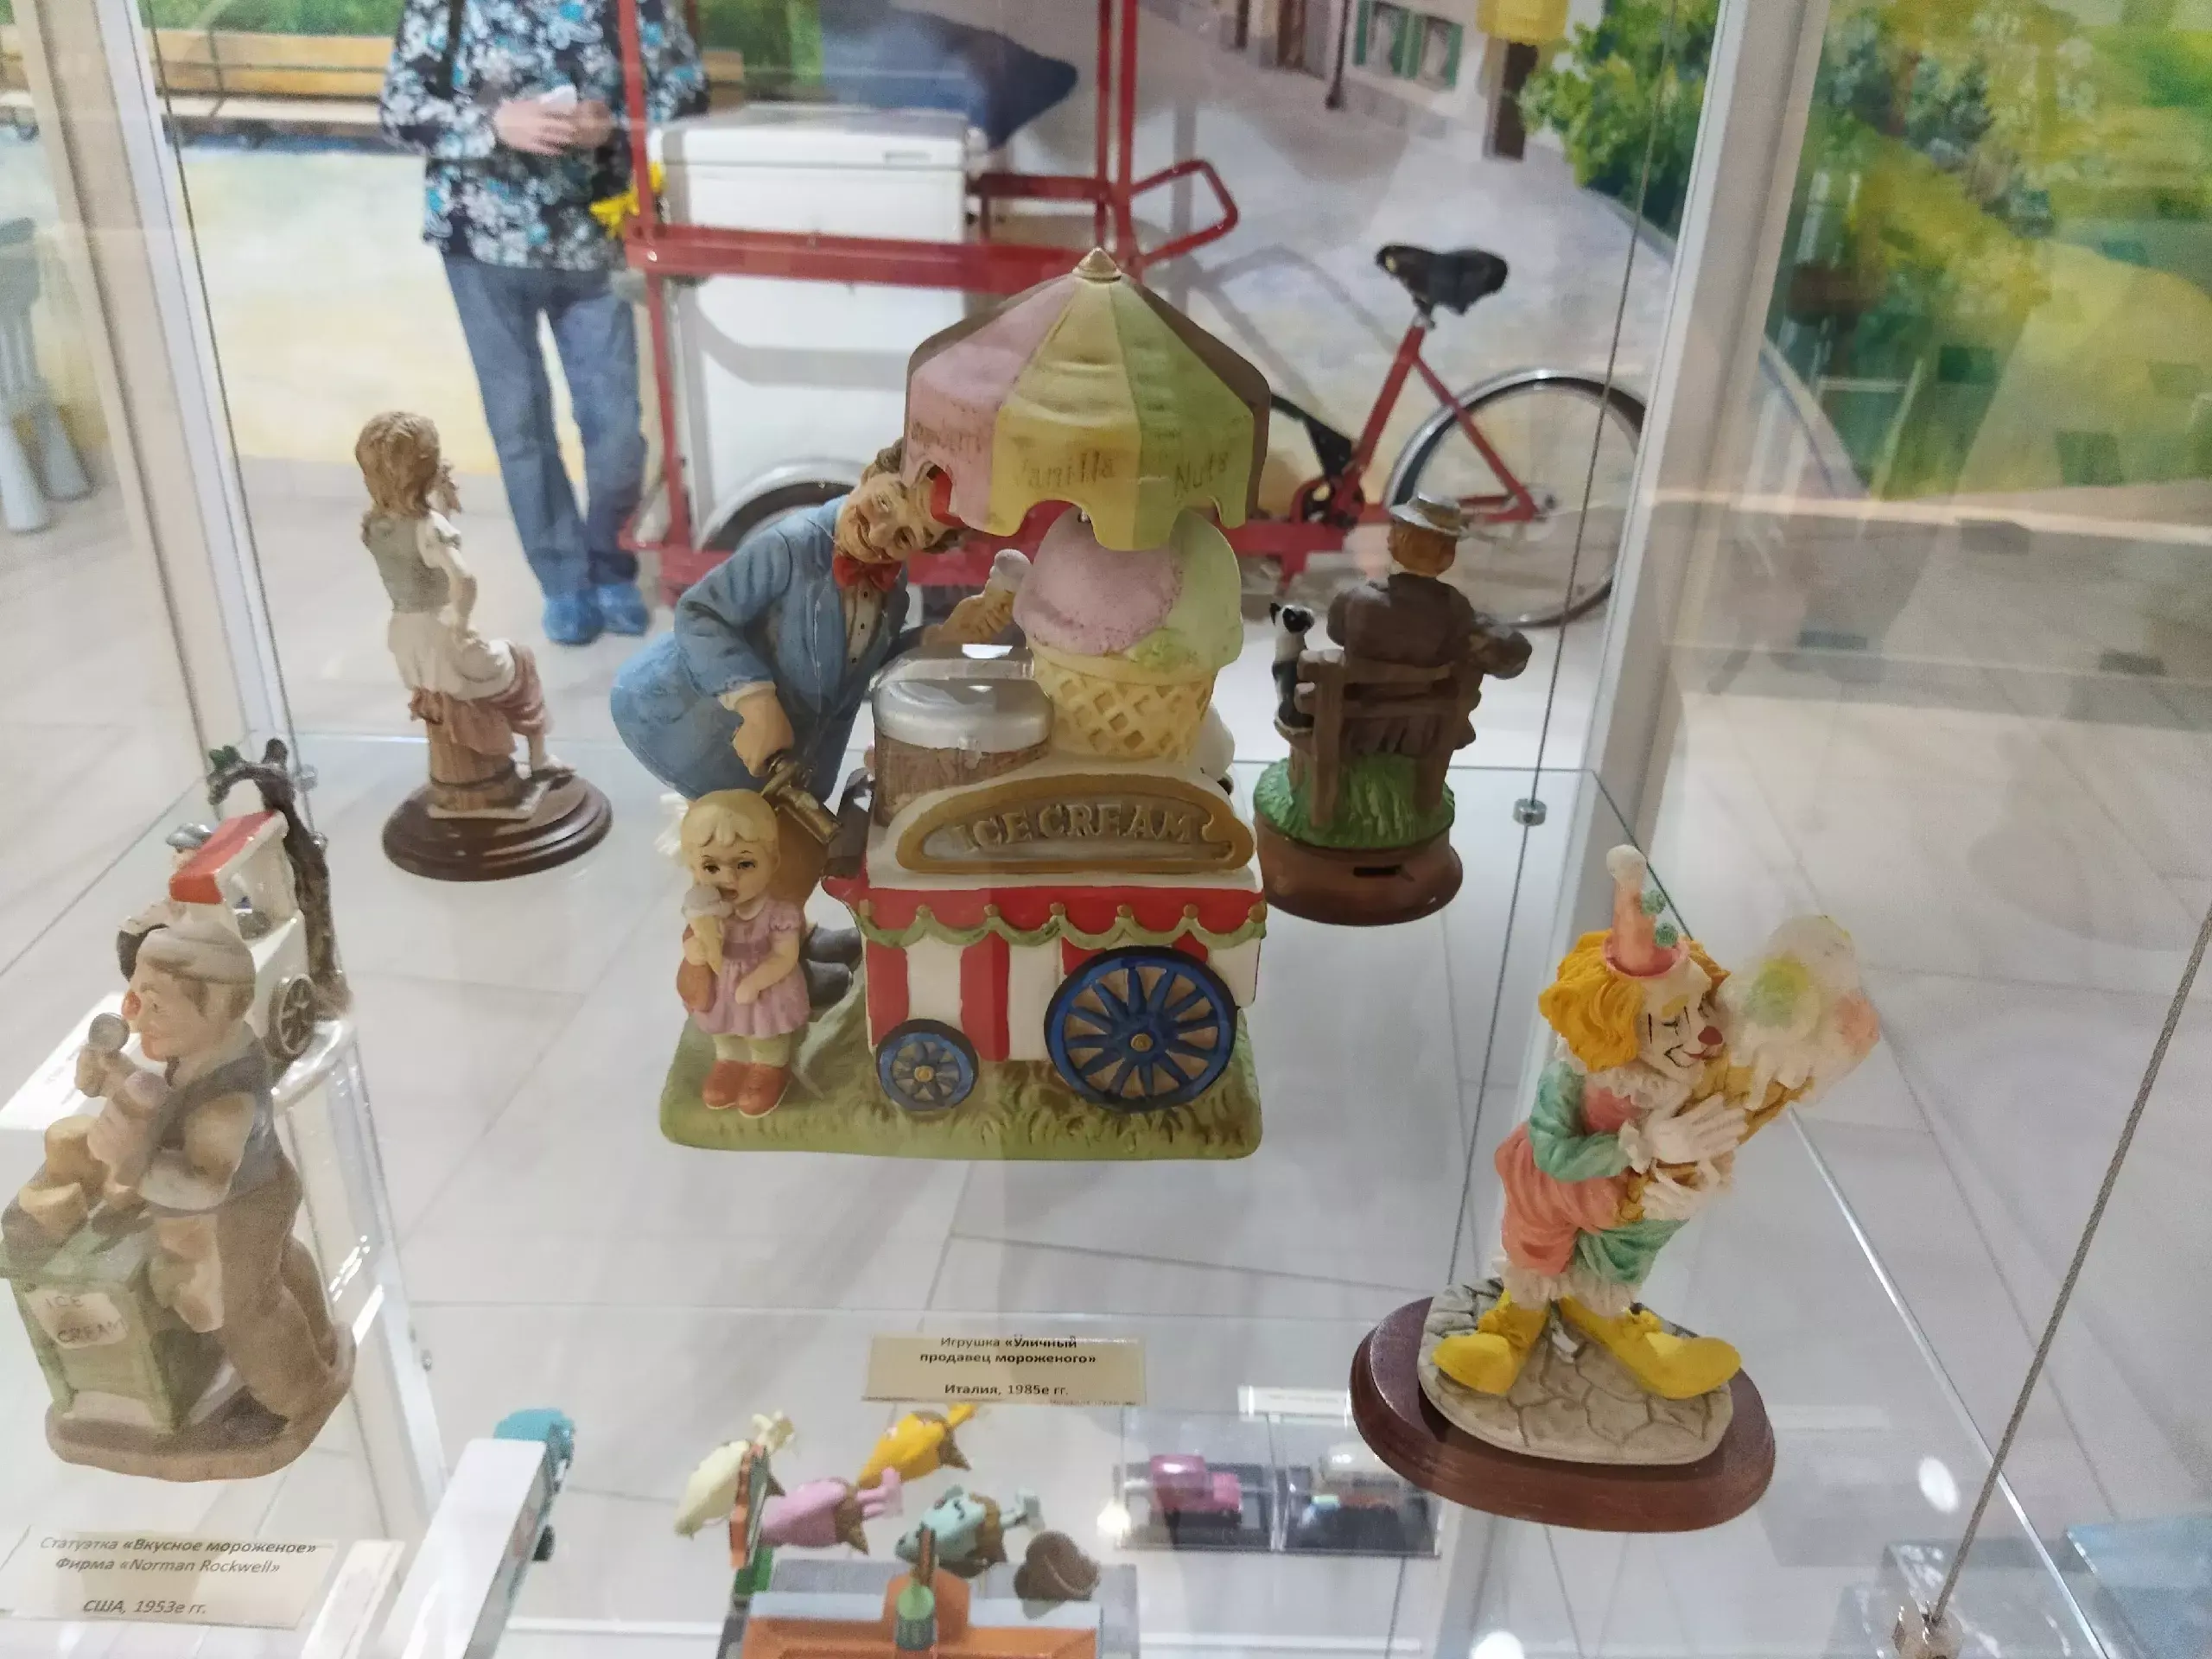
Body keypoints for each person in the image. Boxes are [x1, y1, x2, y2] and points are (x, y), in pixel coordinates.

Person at [378, 0, 707, 646]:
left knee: (616, 431)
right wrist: (493, 123)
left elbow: (685, 90)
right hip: (480, 247)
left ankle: (611, 563)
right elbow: (398, 109)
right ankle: (563, 581)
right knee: (521, 427)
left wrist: (613, 125)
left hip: (596, 241)